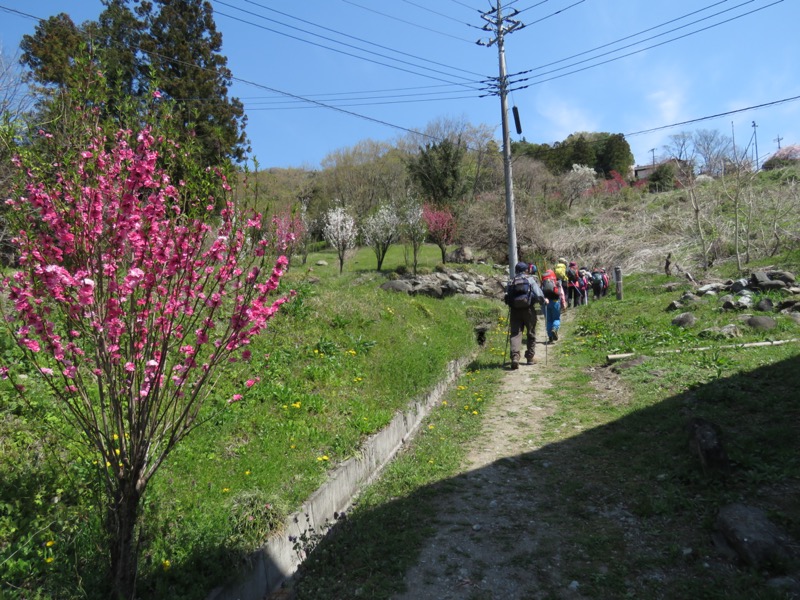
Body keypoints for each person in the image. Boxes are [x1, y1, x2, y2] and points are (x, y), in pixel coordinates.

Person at [504, 262, 547, 369]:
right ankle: (530, 358)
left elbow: (507, 296)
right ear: (526, 270)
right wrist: (543, 301)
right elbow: (539, 294)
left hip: (514, 310)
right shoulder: (530, 280)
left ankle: (515, 357)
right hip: (529, 310)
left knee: (515, 333)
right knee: (531, 332)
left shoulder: (511, 281)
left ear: (516, 270)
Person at [541, 268, 561, 343]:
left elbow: (540, 292)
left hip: (545, 302)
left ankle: (550, 337)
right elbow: (560, 293)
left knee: (548, 320)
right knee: (556, 318)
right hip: (555, 301)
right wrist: (563, 302)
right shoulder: (557, 282)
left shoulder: (543, 282)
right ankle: (554, 329)